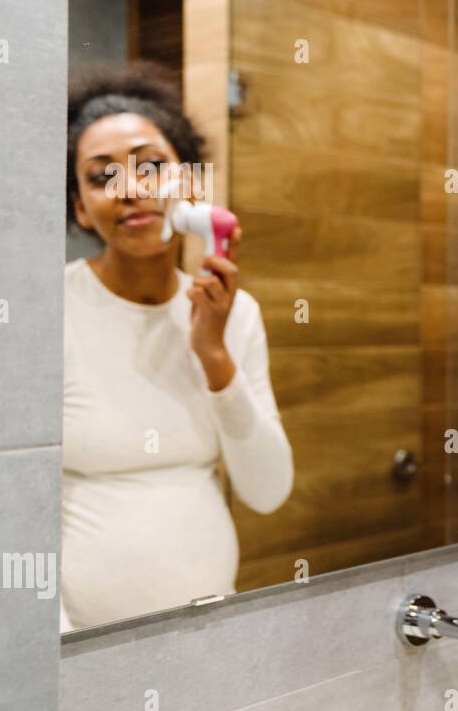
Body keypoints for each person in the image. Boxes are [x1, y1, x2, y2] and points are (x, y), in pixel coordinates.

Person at [61, 63, 293, 630]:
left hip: (211, 630)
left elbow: (267, 491)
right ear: (80, 208)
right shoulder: (49, 312)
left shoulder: (233, 313)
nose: (130, 189)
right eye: (100, 177)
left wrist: (213, 353)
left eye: (151, 166)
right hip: (76, 646)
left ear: (191, 182)